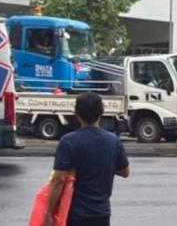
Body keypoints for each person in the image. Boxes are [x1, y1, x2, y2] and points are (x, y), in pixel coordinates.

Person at [44, 92, 130, 226]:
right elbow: (125, 172)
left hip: (75, 214)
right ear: (102, 112)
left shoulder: (68, 142)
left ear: (76, 113)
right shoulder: (113, 141)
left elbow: (58, 180)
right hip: (102, 214)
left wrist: (48, 213)